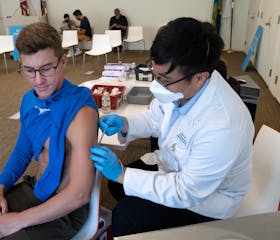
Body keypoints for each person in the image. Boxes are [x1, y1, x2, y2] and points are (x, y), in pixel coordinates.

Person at [90, 17, 254, 237]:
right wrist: (126, 123)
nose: (157, 86)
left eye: (164, 79)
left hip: (207, 199)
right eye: (155, 75)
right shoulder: (181, 87)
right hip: (174, 167)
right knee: (116, 186)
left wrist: (123, 174)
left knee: (125, 216)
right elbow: (156, 118)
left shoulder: (223, 126)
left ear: (199, 78)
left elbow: (186, 192)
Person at [0, 22, 99, 240]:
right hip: (36, 189)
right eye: (29, 70)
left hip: (65, 210)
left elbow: (79, 194)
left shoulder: (80, 112)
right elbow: (22, 152)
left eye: (46, 68)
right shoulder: (29, 102)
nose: (38, 80)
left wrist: (21, 219)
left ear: (62, 62)